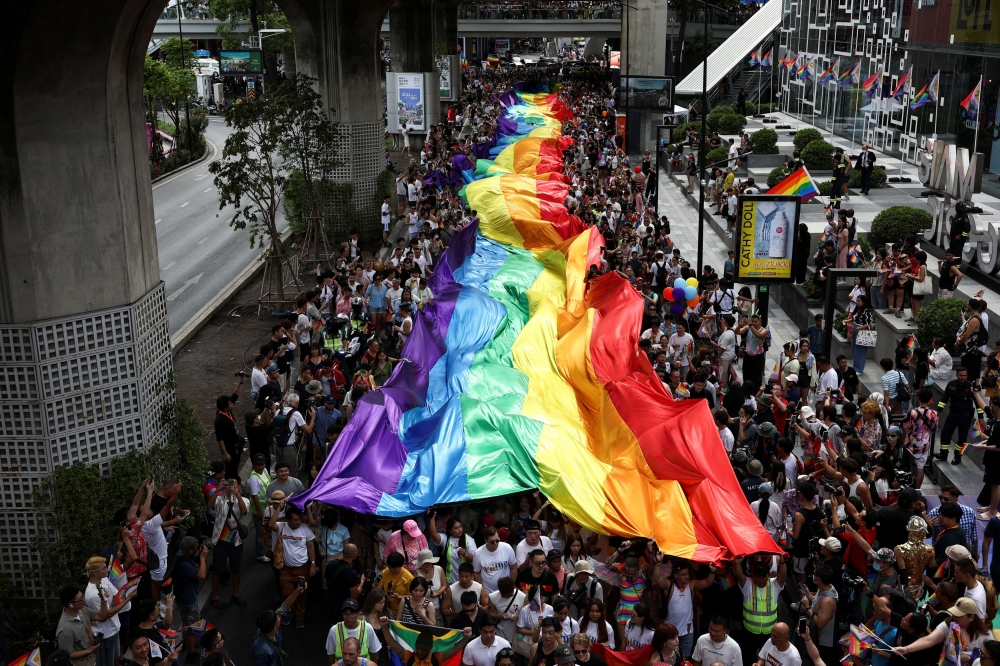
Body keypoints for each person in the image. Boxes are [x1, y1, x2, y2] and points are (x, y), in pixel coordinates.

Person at [268, 503, 316, 629]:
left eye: (300, 519)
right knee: (287, 593)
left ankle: (300, 616)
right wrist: (278, 507)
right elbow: (271, 524)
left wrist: (312, 564)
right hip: (286, 570)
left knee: (301, 595)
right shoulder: (282, 526)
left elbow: (311, 546)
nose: (298, 522)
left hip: (302, 568)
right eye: (295, 520)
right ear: (287, 520)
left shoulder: (305, 529)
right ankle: (289, 612)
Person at [891, 598, 992, 658]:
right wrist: (906, 649)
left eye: (959, 616)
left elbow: (993, 658)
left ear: (971, 617)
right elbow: (928, 640)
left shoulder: (985, 634)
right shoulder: (948, 624)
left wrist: (971, 658)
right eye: (954, 614)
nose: (955, 617)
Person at [733, 556, 785, 666]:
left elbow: (783, 575)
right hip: (749, 633)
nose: (760, 580)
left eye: (763, 576)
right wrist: (737, 563)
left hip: (769, 634)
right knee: (748, 659)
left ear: (769, 575)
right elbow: (739, 575)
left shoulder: (774, 585)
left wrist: (783, 561)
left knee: (768, 660)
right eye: (757, 576)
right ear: (753, 576)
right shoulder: (747, 585)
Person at [85, 557, 136, 666]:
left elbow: (116, 597)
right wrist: (128, 598)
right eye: (104, 568)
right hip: (105, 634)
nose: (107, 570)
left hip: (115, 628)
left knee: (116, 659)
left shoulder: (104, 580)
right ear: (95, 572)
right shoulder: (92, 594)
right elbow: (107, 614)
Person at [209, 478, 248, 609]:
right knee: (217, 569)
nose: (230, 486)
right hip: (220, 540)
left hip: (235, 541)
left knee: (236, 569)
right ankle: (214, 596)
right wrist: (218, 490)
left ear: (238, 487)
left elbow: (243, 511)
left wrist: (237, 494)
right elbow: (210, 504)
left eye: (233, 484)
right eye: (228, 484)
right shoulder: (220, 499)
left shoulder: (243, 500)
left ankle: (236, 594)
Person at [937, 366, 977, 465]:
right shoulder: (951, 385)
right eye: (961, 375)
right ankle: (943, 453)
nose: (963, 377)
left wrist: (980, 417)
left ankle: (958, 456)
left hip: (965, 415)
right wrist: (937, 412)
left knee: (962, 438)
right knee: (945, 433)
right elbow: (944, 399)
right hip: (953, 414)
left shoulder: (970, 386)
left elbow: (977, 403)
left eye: (965, 376)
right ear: (956, 375)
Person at [326, 599, 384, 663]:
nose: (348, 617)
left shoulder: (367, 628)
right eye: (345, 614)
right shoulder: (334, 630)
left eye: (352, 614)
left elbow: (374, 653)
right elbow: (330, 655)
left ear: (358, 614)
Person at [57, 585, 100, 666]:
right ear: (71, 605)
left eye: (82, 597)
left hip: (91, 660)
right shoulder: (65, 629)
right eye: (80, 600)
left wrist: (103, 600)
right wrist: (89, 651)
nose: (84, 600)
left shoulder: (82, 610)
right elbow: (68, 654)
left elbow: (101, 616)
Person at [214, 377, 246, 481]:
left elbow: (235, 396)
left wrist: (241, 382)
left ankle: (235, 477)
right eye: (230, 404)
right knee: (230, 468)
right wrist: (225, 453)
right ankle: (232, 482)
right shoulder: (220, 420)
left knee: (236, 464)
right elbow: (220, 439)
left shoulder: (228, 411)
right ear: (225, 408)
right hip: (229, 448)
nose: (232, 404)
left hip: (236, 444)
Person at [325, 544, 365, 621]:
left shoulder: (331, 564)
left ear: (343, 552)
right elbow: (354, 596)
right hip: (342, 606)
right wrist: (362, 583)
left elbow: (325, 582)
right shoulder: (352, 573)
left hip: (329, 601)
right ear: (355, 554)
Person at [475, 527, 518, 595]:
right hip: (488, 591)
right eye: (492, 542)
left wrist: (511, 584)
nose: (495, 543)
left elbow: (514, 568)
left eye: (497, 540)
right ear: (486, 540)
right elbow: (476, 573)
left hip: (506, 590)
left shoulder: (507, 548)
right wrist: (482, 590)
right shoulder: (478, 553)